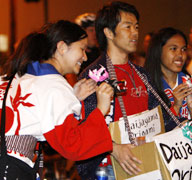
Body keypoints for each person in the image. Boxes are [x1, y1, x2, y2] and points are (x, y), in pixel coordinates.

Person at [76, 2, 179, 179]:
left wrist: (189, 125)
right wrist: (114, 148)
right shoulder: (94, 75)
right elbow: (85, 127)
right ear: (108, 32)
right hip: (109, 168)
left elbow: (161, 118)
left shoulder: (142, 73)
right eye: (128, 27)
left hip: (145, 164)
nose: (135, 32)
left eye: (136, 26)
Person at [0, 20, 114, 179]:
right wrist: (101, 109)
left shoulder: (17, 76)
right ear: (61, 47)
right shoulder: (54, 85)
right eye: (82, 49)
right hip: (12, 168)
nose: (85, 56)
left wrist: (73, 98)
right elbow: (72, 144)